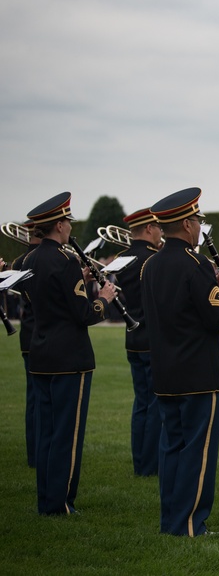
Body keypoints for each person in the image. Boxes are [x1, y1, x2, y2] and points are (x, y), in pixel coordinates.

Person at [141, 187, 219, 536]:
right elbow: (218, 317)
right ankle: (189, 523)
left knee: (171, 448)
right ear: (187, 224)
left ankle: (170, 520)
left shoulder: (151, 265)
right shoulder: (196, 264)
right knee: (197, 454)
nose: (200, 225)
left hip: (165, 371)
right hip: (198, 373)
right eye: (198, 220)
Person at [20, 192, 118, 515]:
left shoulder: (30, 260)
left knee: (47, 434)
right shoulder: (65, 262)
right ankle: (61, 503)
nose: (69, 229)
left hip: (41, 353)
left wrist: (82, 279)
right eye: (67, 224)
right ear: (59, 225)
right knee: (67, 435)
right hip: (69, 359)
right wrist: (103, 296)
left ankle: (46, 501)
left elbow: (50, 300)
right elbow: (84, 314)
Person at [114, 207, 163, 476]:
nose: (160, 232)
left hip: (133, 336)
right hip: (153, 337)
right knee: (155, 404)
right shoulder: (152, 258)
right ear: (148, 229)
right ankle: (150, 465)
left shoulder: (123, 257)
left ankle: (140, 461)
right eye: (158, 228)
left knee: (140, 403)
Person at [10, 221, 41, 468]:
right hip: (44, 334)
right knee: (43, 400)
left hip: (27, 334)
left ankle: (33, 453)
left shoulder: (19, 262)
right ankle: (39, 452)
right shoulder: (48, 258)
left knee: (33, 399)